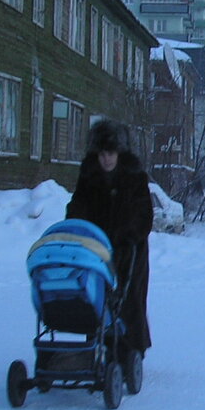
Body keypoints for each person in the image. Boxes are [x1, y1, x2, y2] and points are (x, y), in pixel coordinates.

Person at [66, 119, 152, 357]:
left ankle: (132, 350)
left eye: (111, 153)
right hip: (96, 248)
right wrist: (75, 225)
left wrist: (130, 234)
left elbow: (144, 212)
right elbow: (78, 205)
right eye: (102, 153)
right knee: (96, 295)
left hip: (129, 248)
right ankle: (98, 345)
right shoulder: (89, 176)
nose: (107, 159)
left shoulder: (134, 176)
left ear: (119, 153)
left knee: (129, 298)